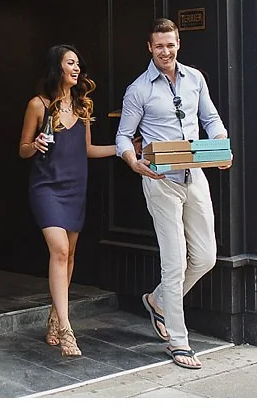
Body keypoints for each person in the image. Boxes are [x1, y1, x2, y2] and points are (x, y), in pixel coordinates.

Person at [116, 18, 232, 370]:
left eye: (170, 44)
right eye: (158, 46)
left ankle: (158, 301)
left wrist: (221, 146)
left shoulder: (195, 78)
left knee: (207, 257)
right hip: (160, 180)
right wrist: (133, 162)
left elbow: (210, 118)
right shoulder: (138, 89)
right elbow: (124, 135)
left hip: (194, 176)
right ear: (149, 48)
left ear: (178, 44)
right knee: (175, 262)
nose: (165, 51)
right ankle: (180, 343)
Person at [19, 45, 115, 357]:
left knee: (69, 254)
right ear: (56, 68)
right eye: (70, 63)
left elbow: (87, 150)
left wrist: (124, 150)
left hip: (76, 187)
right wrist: (34, 144)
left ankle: (53, 317)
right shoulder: (38, 105)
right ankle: (66, 328)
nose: (76, 68)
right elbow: (22, 149)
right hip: (46, 187)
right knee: (59, 250)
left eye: (78, 64)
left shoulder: (83, 106)